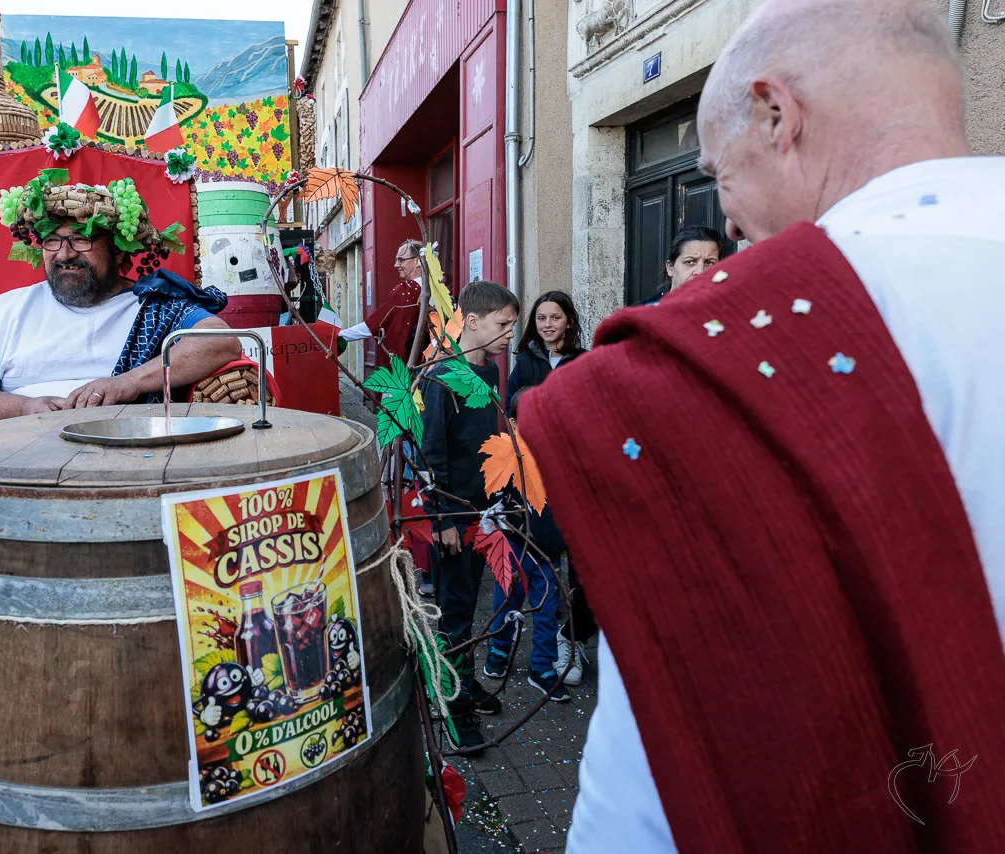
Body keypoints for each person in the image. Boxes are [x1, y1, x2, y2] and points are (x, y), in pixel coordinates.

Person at [520, 0, 1005, 851]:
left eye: (718, 171)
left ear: (779, 115)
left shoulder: (714, 361)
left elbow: (644, 796)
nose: (729, 220)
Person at [0, 170, 240, 849]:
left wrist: (125, 384)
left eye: (82, 240)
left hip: (111, 498)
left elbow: (223, 344)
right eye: (53, 241)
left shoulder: (151, 307)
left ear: (117, 247)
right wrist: (27, 408)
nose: (65, 253)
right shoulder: (10, 314)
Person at [420, 280, 519, 752]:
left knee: (467, 602)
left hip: (482, 512)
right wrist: (442, 519)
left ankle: (463, 679)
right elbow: (430, 451)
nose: (509, 334)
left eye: (513, 325)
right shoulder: (441, 377)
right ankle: (454, 705)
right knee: (454, 611)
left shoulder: (490, 371)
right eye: (503, 324)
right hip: (453, 517)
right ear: (473, 321)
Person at [484, 290, 594, 689]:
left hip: (564, 474)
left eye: (555, 317)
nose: (548, 324)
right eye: (541, 318)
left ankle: (561, 647)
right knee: (510, 588)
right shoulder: (525, 362)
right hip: (525, 481)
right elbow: (508, 411)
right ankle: (500, 650)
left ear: (569, 321)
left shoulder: (582, 361)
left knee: (560, 584)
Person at [337, 239, 425, 360]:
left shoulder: (406, 289)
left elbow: (374, 324)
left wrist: (339, 336)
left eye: (401, 260)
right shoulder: (436, 288)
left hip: (407, 364)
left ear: (417, 261)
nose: (396, 265)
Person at [636, 226, 727, 306]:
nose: (700, 271)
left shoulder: (726, 312)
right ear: (670, 268)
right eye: (690, 262)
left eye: (709, 263)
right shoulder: (643, 312)